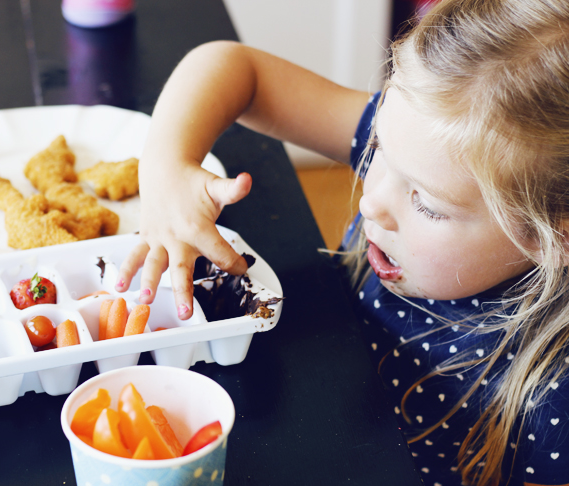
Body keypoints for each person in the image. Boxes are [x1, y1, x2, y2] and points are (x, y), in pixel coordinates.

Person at [114, 0, 569, 484]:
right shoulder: (425, 145)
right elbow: (235, 68)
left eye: (427, 204)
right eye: (376, 147)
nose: (371, 201)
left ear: (551, 238)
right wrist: (164, 171)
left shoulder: (555, 406)